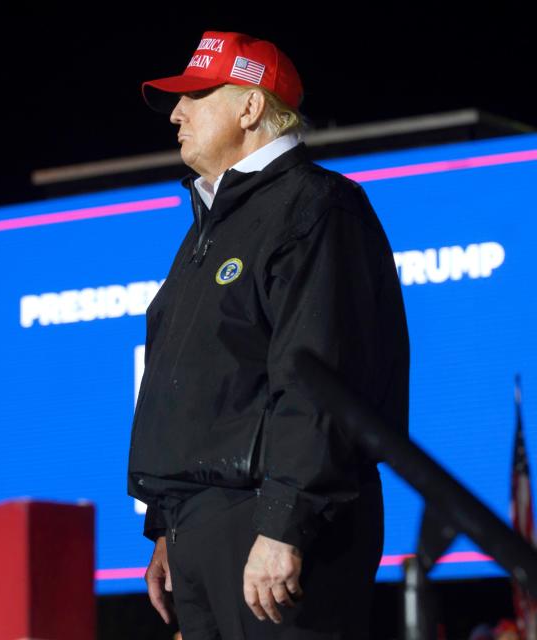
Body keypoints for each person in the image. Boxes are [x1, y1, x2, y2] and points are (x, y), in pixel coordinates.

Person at [127, 31, 409, 638]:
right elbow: (196, 395)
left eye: (195, 97)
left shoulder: (316, 206)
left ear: (251, 108)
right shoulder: (209, 227)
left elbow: (319, 382)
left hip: (274, 527)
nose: (176, 114)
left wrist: (285, 523)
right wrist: (167, 530)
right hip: (203, 532)